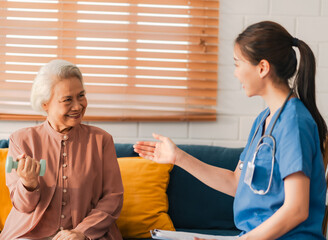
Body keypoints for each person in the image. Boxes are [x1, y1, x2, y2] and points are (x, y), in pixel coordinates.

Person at [134, 21, 327, 240]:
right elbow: (237, 183)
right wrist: (178, 157)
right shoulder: (264, 120)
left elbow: (296, 210)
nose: (235, 74)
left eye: (237, 64)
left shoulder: (294, 122)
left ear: (262, 68)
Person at [0, 60, 124, 240]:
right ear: (45, 104)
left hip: (86, 235)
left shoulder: (101, 140)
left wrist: (82, 231)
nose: (78, 106)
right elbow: (23, 207)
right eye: (67, 100)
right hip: (31, 234)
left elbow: (113, 197)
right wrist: (29, 184)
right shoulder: (21, 140)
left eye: (81, 96)